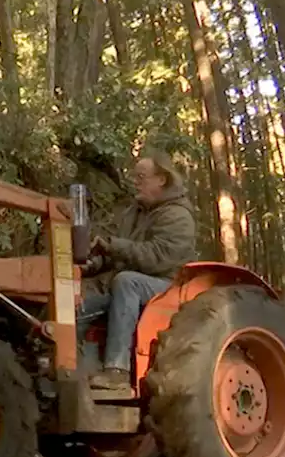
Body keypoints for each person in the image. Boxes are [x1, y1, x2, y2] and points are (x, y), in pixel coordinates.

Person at [75, 150, 197, 391]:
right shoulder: (135, 212)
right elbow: (119, 254)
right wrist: (88, 265)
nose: (135, 181)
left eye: (141, 176)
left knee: (126, 281)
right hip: (136, 283)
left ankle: (117, 370)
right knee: (76, 307)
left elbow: (156, 258)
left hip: (167, 286)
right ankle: (72, 371)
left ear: (161, 179)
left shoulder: (178, 216)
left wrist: (115, 246)